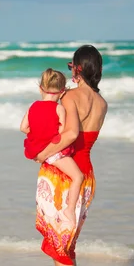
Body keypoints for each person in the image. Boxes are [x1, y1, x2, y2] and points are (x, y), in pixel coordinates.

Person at [34, 45, 108, 266]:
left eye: (71, 67)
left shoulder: (70, 97)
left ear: (76, 69)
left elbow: (70, 135)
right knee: (66, 244)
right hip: (87, 176)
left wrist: (43, 152)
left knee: (58, 246)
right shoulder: (102, 104)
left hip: (64, 175)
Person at [21, 68, 84, 225]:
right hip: (52, 153)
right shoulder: (59, 108)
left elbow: (23, 128)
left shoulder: (33, 106)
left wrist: (37, 133)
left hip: (34, 149)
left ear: (40, 88)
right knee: (78, 177)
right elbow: (62, 132)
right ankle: (69, 210)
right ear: (62, 91)